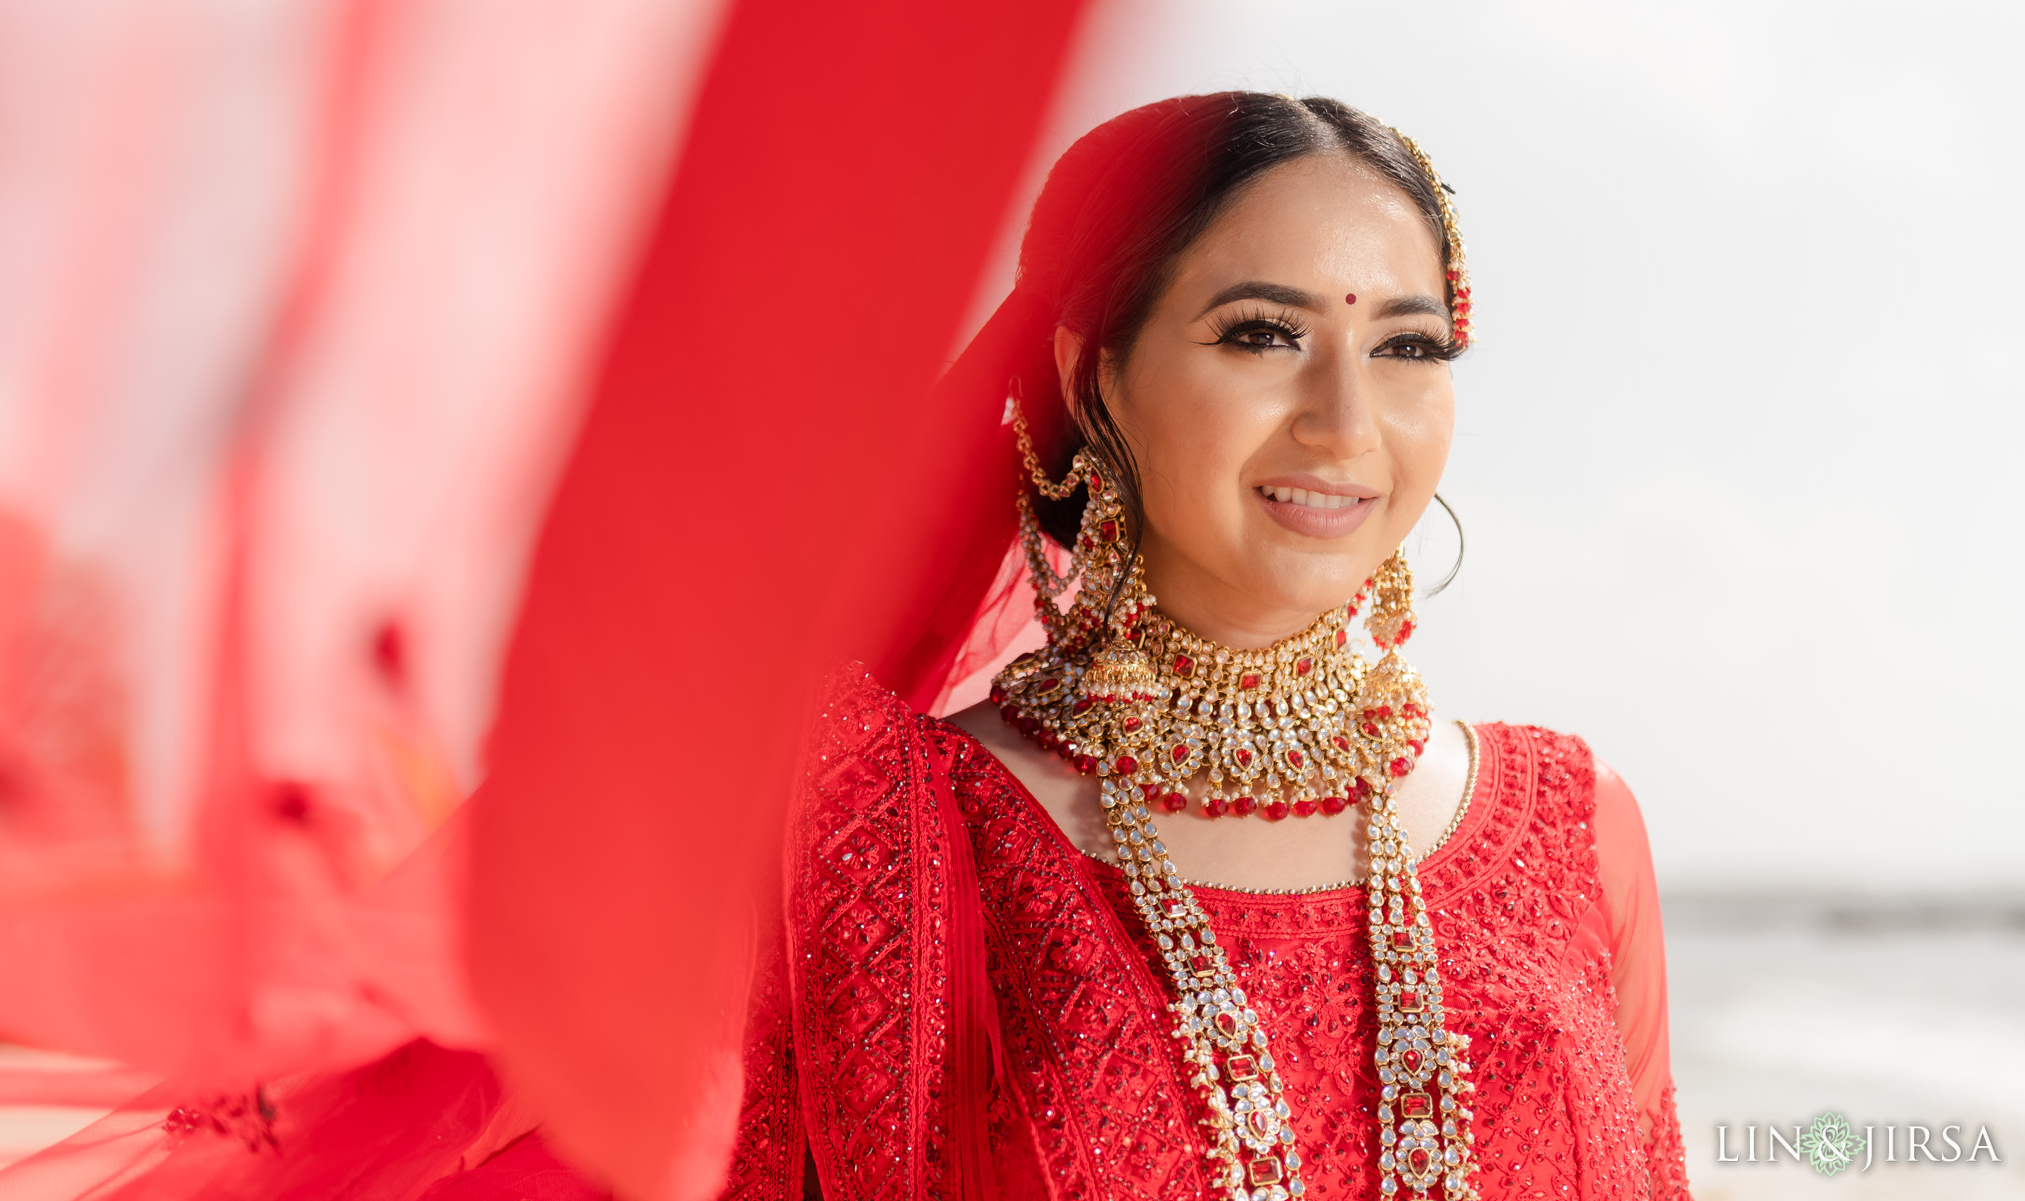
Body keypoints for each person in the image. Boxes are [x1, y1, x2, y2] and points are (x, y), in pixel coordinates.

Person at [719, 93, 1690, 1201]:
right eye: (1260, 335)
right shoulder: (895, 832)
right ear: (1091, 373)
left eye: (1406, 347)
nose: (1346, 423)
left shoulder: (1571, 821)